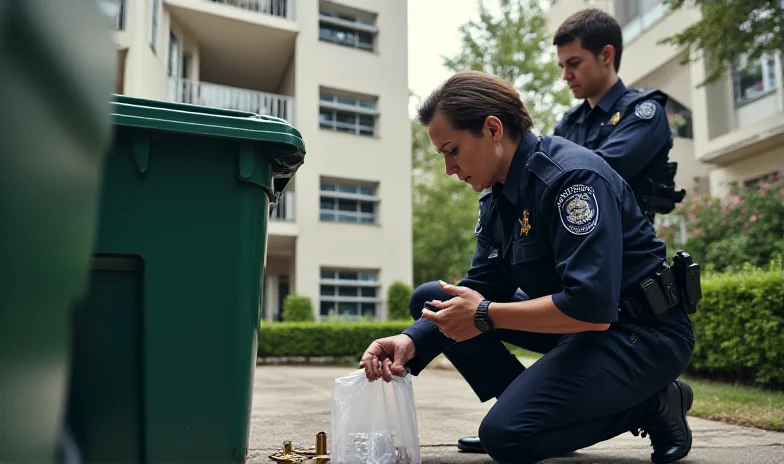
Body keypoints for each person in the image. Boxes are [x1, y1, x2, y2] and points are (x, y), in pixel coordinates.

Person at [360, 71, 699, 464]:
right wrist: (412, 341)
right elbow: (487, 281)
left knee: (507, 439)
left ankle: (656, 403)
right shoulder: (497, 195)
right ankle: (539, 414)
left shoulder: (571, 179)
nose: (449, 169)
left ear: (492, 129)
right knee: (432, 300)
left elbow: (590, 306)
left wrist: (485, 316)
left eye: (452, 151)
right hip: (578, 329)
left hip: (642, 333)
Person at [552, 8, 685, 224]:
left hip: (628, 250)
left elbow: (598, 173)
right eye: (562, 66)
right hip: (573, 250)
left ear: (606, 55)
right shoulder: (568, 124)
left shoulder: (644, 112)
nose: (565, 76)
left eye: (574, 63)